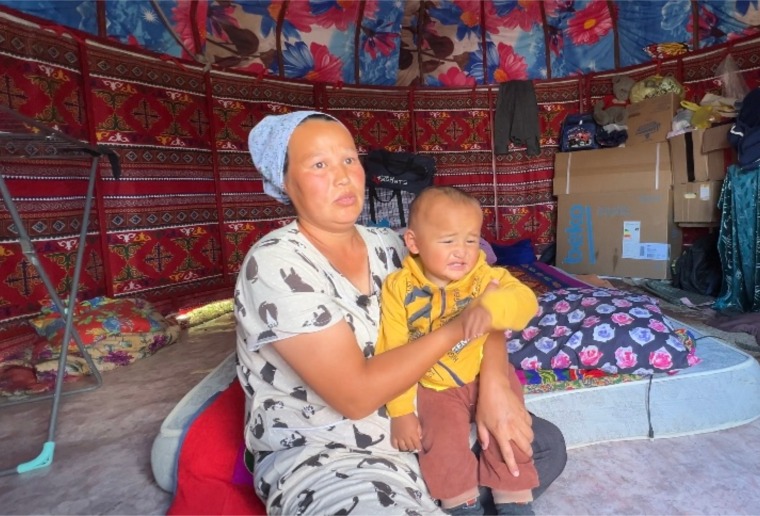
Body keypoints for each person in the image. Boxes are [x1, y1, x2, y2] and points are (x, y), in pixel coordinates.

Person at [235, 110, 566, 516]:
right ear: (284, 182)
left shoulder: (390, 244)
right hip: (335, 450)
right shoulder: (274, 263)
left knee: (541, 443)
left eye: (349, 159)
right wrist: (460, 327)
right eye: (319, 164)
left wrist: (495, 383)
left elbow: (483, 292)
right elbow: (355, 397)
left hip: (426, 417)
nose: (343, 177)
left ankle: (450, 490)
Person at [376, 187, 540, 516]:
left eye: (471, 240)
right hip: (435, 383)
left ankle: (515, 500)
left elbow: (526, 302)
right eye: (448, 240)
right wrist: (400, 411)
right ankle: (461, 504)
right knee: (442, 445)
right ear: (414, 243)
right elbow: (392, 349)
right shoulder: (399, 288)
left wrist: (494, 306)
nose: (462, 252)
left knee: (510, 435)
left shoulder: (486, 277)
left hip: (486, 372)